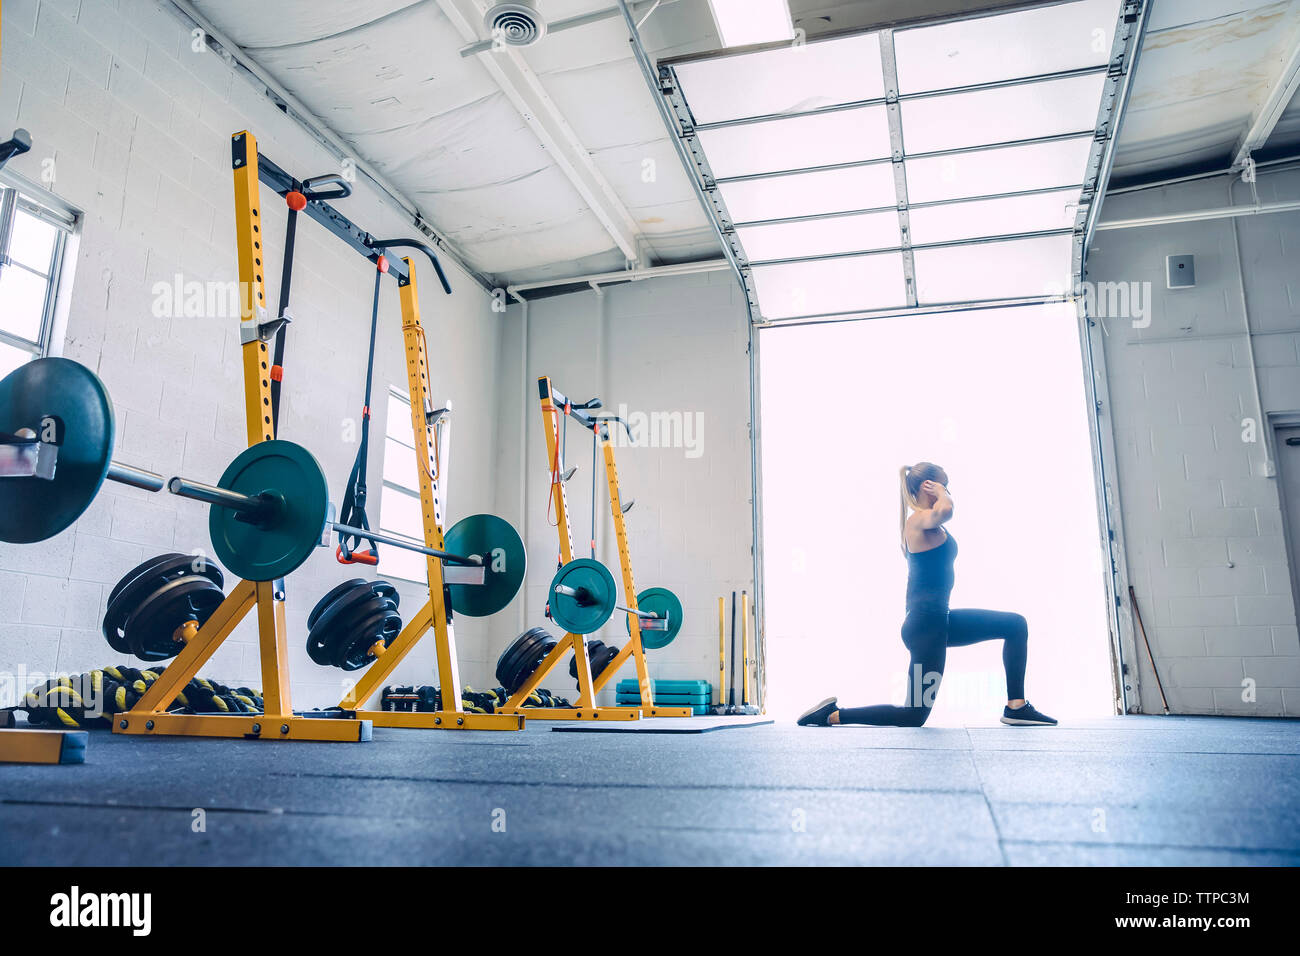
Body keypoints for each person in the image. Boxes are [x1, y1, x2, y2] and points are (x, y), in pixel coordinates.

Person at [798, 462, 1056, 728]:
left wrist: (942, 492)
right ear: (928, 486)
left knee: (1015, 625)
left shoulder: (925, 522)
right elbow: (947, 509)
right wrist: (943, 493)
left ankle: (1016, 707)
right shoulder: (917, 520)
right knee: (913, 716)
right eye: (943, 484)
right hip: (926, 628)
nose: (947, 490)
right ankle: (831, 714)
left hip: (939, 622)